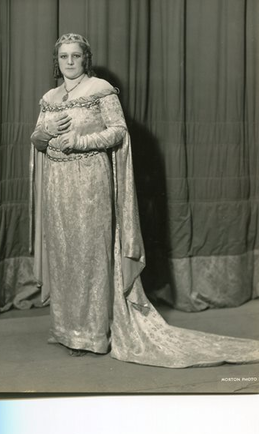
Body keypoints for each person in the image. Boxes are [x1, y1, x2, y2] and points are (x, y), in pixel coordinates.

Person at [30, 33, 259, 367]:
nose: (69, 62)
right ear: (57, 61)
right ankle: (67, 329)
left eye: (75, 56)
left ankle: (93, 334)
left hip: (90, 184)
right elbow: (36, 141)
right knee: (65, 254)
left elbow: (119, 131)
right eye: (63, 56)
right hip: (57, 186)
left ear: (85, 59)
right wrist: (46, 130)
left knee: (90, 255)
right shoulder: (49, 98)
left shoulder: (100, 90)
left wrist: (79, 142)